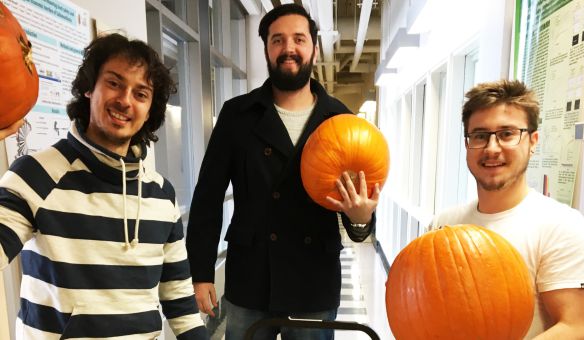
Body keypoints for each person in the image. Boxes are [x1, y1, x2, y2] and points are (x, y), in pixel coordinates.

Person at [185, 4, 379, 339]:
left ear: (314, 49)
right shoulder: (237, 115)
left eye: (298, 39)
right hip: (251, 277)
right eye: (278, 40)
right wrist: (201, 273)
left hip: (313, 281)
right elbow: (208, 196)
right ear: (267, 50)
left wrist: (361, 218)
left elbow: (357, 200)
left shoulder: (341, 120)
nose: (288, 48)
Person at [0, 33, 208, 339]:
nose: (125, 100)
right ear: (89, 88)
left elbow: (178, 297)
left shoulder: (161, 194)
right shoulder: (37, 174)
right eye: (114, 83)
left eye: (141, 94)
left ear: (150, 111)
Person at [429, 79, 584, 339]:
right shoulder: (444, 224)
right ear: (467, 143)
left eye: (507, 134)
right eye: (480, 135)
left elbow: (577, 328)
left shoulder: (563, 227)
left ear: (533, 141)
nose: (492, 148)